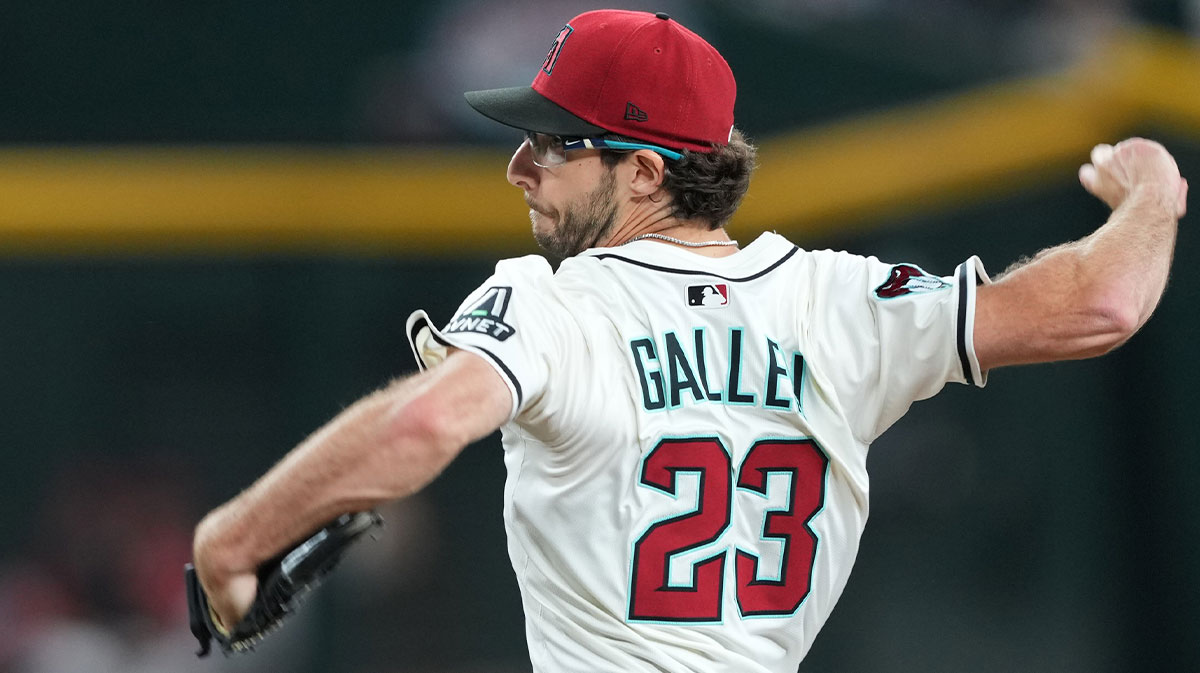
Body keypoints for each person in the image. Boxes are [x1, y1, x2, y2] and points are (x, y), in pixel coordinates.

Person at [191, 9, 1188, 672]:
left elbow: (420, 425)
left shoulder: (549, 302)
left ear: (644, 174)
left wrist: (231, 540)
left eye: (555, 142)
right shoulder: (839, 300)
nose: (520, 167)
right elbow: (1103, 303)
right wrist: (1155, 192)